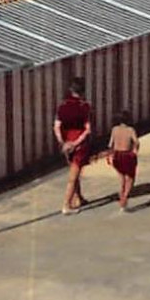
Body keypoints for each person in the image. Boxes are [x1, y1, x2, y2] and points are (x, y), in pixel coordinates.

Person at [54, 79, 93, 214]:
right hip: (79, 145)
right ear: (82, 92)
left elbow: (57, 127)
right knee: (73, 176)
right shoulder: (85, 106)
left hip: (66, 144)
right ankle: (66, 205)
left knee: (73, 171)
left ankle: (78, 197)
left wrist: (63, 142)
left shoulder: (62, 106)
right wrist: (76, 143)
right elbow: (87, 130)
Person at [107, 110, 140, 212]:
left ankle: (121, 196)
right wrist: (135, 151)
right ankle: (125, 197)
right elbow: (136, 142)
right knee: (130, 178)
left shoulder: (114, 129)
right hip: (127, 155)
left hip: (117, 155)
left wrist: (109, 156)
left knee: (121, 177)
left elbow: (110, 144)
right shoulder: (130, 130)